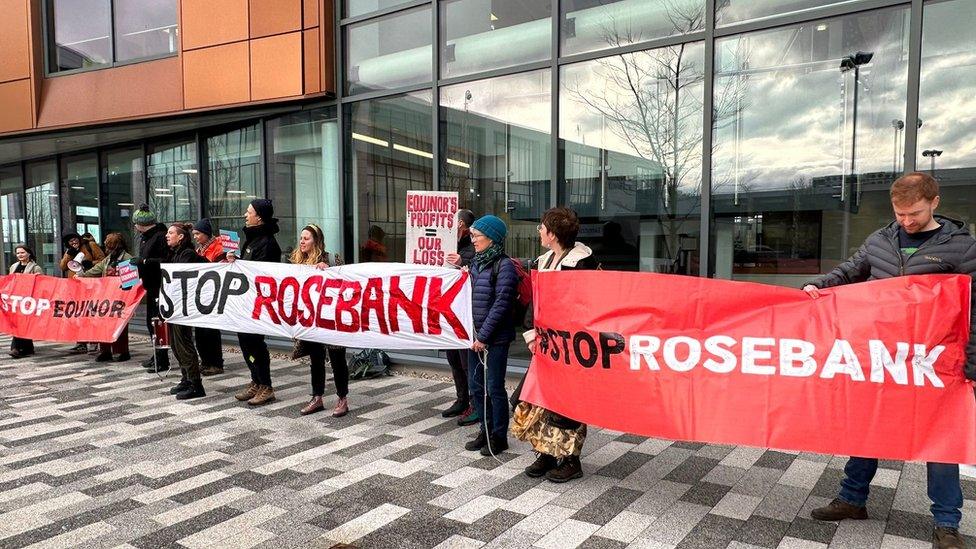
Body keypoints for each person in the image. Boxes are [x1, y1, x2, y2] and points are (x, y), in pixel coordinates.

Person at [803, 173, 975, 549]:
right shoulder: (881, 239)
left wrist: (972, 364)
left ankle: (947, 524)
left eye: (914, 213)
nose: (906, 221)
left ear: (934, 203)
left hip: (936, 360)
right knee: (870, 425)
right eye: (900, 214)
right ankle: (852, 499)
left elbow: (975, 310)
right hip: (883, 355)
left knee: (939, 440)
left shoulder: (962, 248)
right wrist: (821, 284)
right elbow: (851, 270)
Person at [512, 207, 598, 483]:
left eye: (541, 228)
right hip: (546, 345)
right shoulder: (543, 261)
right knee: (540, 399)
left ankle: (571, 460)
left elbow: (590, 307)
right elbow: (534, 303)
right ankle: (546, 453)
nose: (538, 231)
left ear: (552, 233)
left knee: (568, 405)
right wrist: (531, 335)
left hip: (571, 347)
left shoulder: (583, 263)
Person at [464, 215, 518, 456]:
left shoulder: (505, 266)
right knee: (476, 386)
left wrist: (483, 336)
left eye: (477, 236)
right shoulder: (477, 262)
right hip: (475, 336)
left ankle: (498, 436)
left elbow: (501, 304)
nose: (473, 240)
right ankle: (484, 431)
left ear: (492, 238)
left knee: (494, 387)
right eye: (472, 235)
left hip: (494, 339)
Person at [134, 223, 207, 400]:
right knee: (175, 343)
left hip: (183, 307)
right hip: (174, 306)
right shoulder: (174, 253)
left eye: (171, 233)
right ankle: (186, 378)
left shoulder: (187, 254)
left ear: (181, 237)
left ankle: (196, 384)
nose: (167, 236)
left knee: (184, 344)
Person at [290, 224, 350, 417]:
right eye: (301, 238)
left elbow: (346, 283)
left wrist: (330, 270)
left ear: (317, 241)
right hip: (311, 319)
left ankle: (342, 398)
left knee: (337, 359)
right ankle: (317, 397)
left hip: (331, 318)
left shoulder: (332, 259)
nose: (302, 242)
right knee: (315, 359)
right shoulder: (297, 263)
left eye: (306, 238)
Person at [227, 199, 281, 406]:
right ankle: (256, 381)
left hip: (258, 304)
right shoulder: (251, 240)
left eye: (248, 212)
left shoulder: (267, 243)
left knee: (255, 344)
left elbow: (260, 274)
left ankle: (266, 386)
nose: (244, 215)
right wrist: (236, 261)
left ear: (259, 217)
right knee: (245, 342)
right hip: (246, 302)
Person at [443, 209, 477, 422]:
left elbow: (477, 270)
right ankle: (461, 399)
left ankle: (474, 403)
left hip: (465, 313)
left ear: (461, 225)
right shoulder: (446, 246)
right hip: (448, 310)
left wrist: (461, 261)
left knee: (466, 361)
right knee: (453, 358)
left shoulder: (472, 248)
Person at [78, 232, 132, 363]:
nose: (108, 250)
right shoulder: (107, 259)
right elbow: (96, 270)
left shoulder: (127, 259)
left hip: (121, 298)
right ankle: (105, 350)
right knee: (103, 323)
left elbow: (131, 282)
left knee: (120, 326)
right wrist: (82, 276)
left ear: (118, 246)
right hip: (106, 297)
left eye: (111, 247)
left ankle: (122, 351)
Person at [132, 204, 170, 372]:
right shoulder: (145, 237)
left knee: (157, 323)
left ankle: (162, 359)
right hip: (151, 285)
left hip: (160, 286)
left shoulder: (160, 237)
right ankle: (157, 355)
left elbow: (166, 260)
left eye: (135, 223)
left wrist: (144, 262)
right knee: (150, 323)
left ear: (141, 224)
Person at [59, 231, 105, 353]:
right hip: (76, 286)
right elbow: (63, 267)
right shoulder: (69, 251)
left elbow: (103, 260)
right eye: (70, 241)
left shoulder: (90, 245)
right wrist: (69, 254)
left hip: (90, 284)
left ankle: (94, 341)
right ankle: (81, 342)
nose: (73, 242)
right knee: (78, 314)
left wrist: (90, 264)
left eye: (75, 239)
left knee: (91, 313)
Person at [192, 218, 226, 376]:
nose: (195, 237)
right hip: (202, 293)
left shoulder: (218, 248)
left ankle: (215, 362)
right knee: (200, 330)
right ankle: (206, 361)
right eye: (194, 234)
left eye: (198, 234)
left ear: (206, 233)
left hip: (213, 293)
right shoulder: (200, 249)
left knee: (210, 330)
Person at [8, 245, 43, 359]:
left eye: (22, 252)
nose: (20, 255)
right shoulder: (13, 266)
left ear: (29, 253)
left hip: (28, 300)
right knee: (18, 324)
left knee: (22, 324)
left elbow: (42, 284)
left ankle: (15, 349)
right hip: (16, 299)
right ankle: (28, 348)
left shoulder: (35, 267)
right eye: (18, 253)